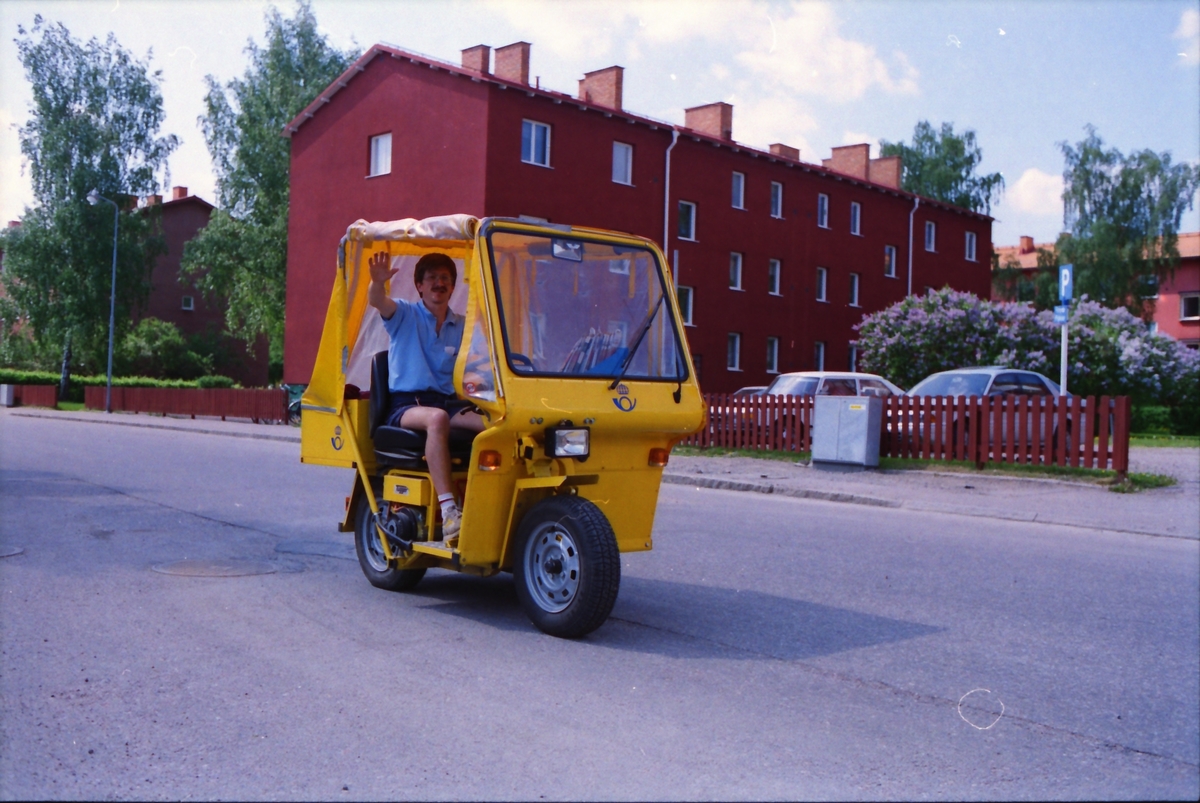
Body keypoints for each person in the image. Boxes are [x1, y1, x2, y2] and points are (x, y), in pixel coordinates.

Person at [367, 251, 485, 546]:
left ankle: (485, 503)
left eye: (445, 278)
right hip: (407, 404)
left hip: (445, 400)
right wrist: (377, 282)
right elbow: (377, 301)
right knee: (437, 419)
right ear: (419, 286)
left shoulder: (461, 326)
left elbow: (481, 361)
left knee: (493, 424)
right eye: (432, 278)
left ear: (453, 287)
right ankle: (449, 512)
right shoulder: (405, 314)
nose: (439, 283)